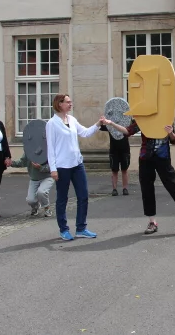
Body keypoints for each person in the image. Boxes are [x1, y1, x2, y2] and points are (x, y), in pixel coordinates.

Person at [105, 119, 175, 235]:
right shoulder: (143, 119)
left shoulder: (166, 116)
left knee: (173, 186)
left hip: (163, 157)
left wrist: (170, 132)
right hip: (146, 158)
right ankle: (152, 222)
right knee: (146, 189)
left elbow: (174, 140)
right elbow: (127, 131)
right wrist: (111, 123)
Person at [46, 94, 103, 241]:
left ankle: (81, 228)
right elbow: (50, 148)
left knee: (83, 196)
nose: (71, 104)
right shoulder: (52, 124)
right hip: (62, 166)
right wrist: (53, 168)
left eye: (71, 101)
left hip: (77, 164)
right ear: (59, 104)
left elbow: (84, 132)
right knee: (62, 199)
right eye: (68, 102)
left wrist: (98, 124)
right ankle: (63, 229)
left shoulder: (71, 120)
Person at [100, 124, 130, 196]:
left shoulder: (126, 123)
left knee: (124, 170)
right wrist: (103, 121)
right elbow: (100, 127)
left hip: (125, 150)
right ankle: (114, 189)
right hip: (114, 151)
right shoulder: (111, 125)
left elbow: (133, 126)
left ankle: (125, 188)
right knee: (114, 170)